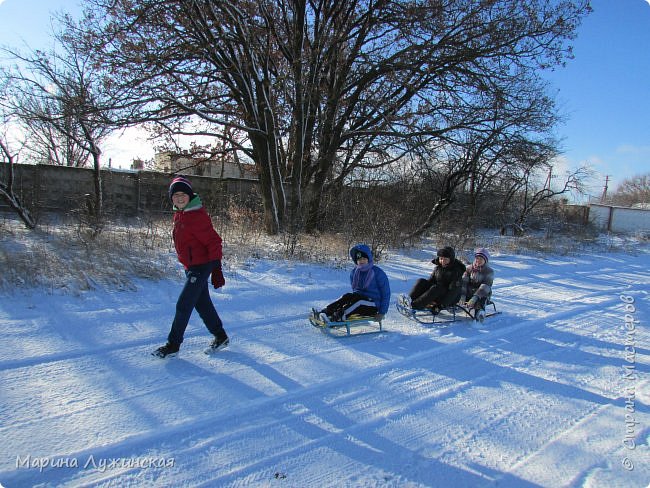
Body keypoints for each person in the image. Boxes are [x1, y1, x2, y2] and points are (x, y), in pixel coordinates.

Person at [153, 176, 229, 358]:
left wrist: (216, 269)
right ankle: (221, 336)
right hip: (192, 266)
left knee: (184, 304)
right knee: (202, 304)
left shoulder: (196, 216)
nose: (180, 198)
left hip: (201, 266)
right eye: (176, 195)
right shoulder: (181, 214)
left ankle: (173, 345)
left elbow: (214, 242)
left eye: (183, 194)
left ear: (190, 196)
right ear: (171, 198)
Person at [313, 244, 390, 323]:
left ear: (368, 259)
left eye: (364, 258)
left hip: (374, 305)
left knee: (359, 302)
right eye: (359, 259)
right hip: (361, 301)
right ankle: (325, 312)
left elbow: (386, 293)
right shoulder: (355, 272)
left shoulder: (378, 273)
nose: (361, 261)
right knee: (347, 296)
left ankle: (337, 318)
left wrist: (382, 312)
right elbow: (355, 291)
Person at [403, 246, 466, 313]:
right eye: (441, 259)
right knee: (421, 281)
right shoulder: (438, 268)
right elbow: (430, 281)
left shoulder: (456, 271)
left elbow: (453, 292)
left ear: (451, 259)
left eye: (445, 259)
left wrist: (441, 306)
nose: (442, 261)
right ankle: (409, 300)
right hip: (437, 292)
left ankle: (415, 305)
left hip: (450, 298)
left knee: (437, 287)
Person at [460, 247, 494, 322]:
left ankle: (480, 313)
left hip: (482, 293)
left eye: (481, 259)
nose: (478, 260)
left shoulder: (489, 271)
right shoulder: (469, 268)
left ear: (485, 260)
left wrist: (475, 297)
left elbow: (485, 286)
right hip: (469, 292)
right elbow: (464, 282)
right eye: (477, 258)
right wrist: (462, 295)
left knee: (479, 300)